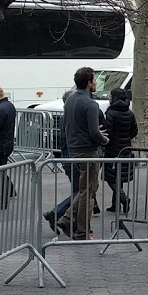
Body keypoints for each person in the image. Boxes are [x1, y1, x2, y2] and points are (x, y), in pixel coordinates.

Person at [58, 67, 105, 238]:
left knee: (86, 189)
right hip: (88, 152)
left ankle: (67, 219)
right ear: (89, 82)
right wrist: (104, 139)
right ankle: (81, 230)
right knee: (88, 192)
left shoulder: (70, 101)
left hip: (74, 151)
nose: (96, 82)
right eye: (95, 79)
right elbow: (94, 132)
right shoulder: (90, 104)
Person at [102, 88, 137, 214]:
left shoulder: (111, 113)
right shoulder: (130, 113)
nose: (109, 98)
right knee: (120, 177)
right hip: (125, 148)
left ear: (115, 97)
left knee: (110, 177)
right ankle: (115, 204)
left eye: (110, 95)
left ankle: (123, 198)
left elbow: (108, 131)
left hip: (112, 149)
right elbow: (134, 131)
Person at [0, 86, 17, 207]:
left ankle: (2, 201)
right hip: (5, 144)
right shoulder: (9, 106)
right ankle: (11, 191)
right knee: (0, 171)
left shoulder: (0, 110)